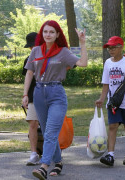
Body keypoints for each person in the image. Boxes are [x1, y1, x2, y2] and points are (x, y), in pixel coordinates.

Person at [22, 20, 88, 179]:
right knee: (46, 132)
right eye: (45, 32)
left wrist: (82, 43)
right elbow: (30, 73)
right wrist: (25, 95)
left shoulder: (63, 52)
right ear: (42, 34)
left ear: (57, 34)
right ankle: (58, 162)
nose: (48, 34)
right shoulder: (36, 51)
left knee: (51, 132)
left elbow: (83, 63)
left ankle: (44, 166)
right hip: (38, 93)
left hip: (56, 94)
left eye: (51, 32)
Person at [95, 36, 125, 166]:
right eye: (109, 48)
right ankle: (110, 155)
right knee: (112, 126)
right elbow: (106, 83)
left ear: (120, 47)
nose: (110, 50)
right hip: (113, 102)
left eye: (113, 47)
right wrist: (101, 98)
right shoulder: (108, 63)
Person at [22, 32, 40, 165]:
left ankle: (53, 153)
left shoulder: (50, 57)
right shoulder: (28, 59)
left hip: (49, 96)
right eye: (30, 47)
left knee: (49, 126)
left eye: (34, 45)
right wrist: (25, 96)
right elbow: (27, 78)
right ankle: (34, 153)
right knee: (33, 124)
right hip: (33, 96)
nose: (32, 48)